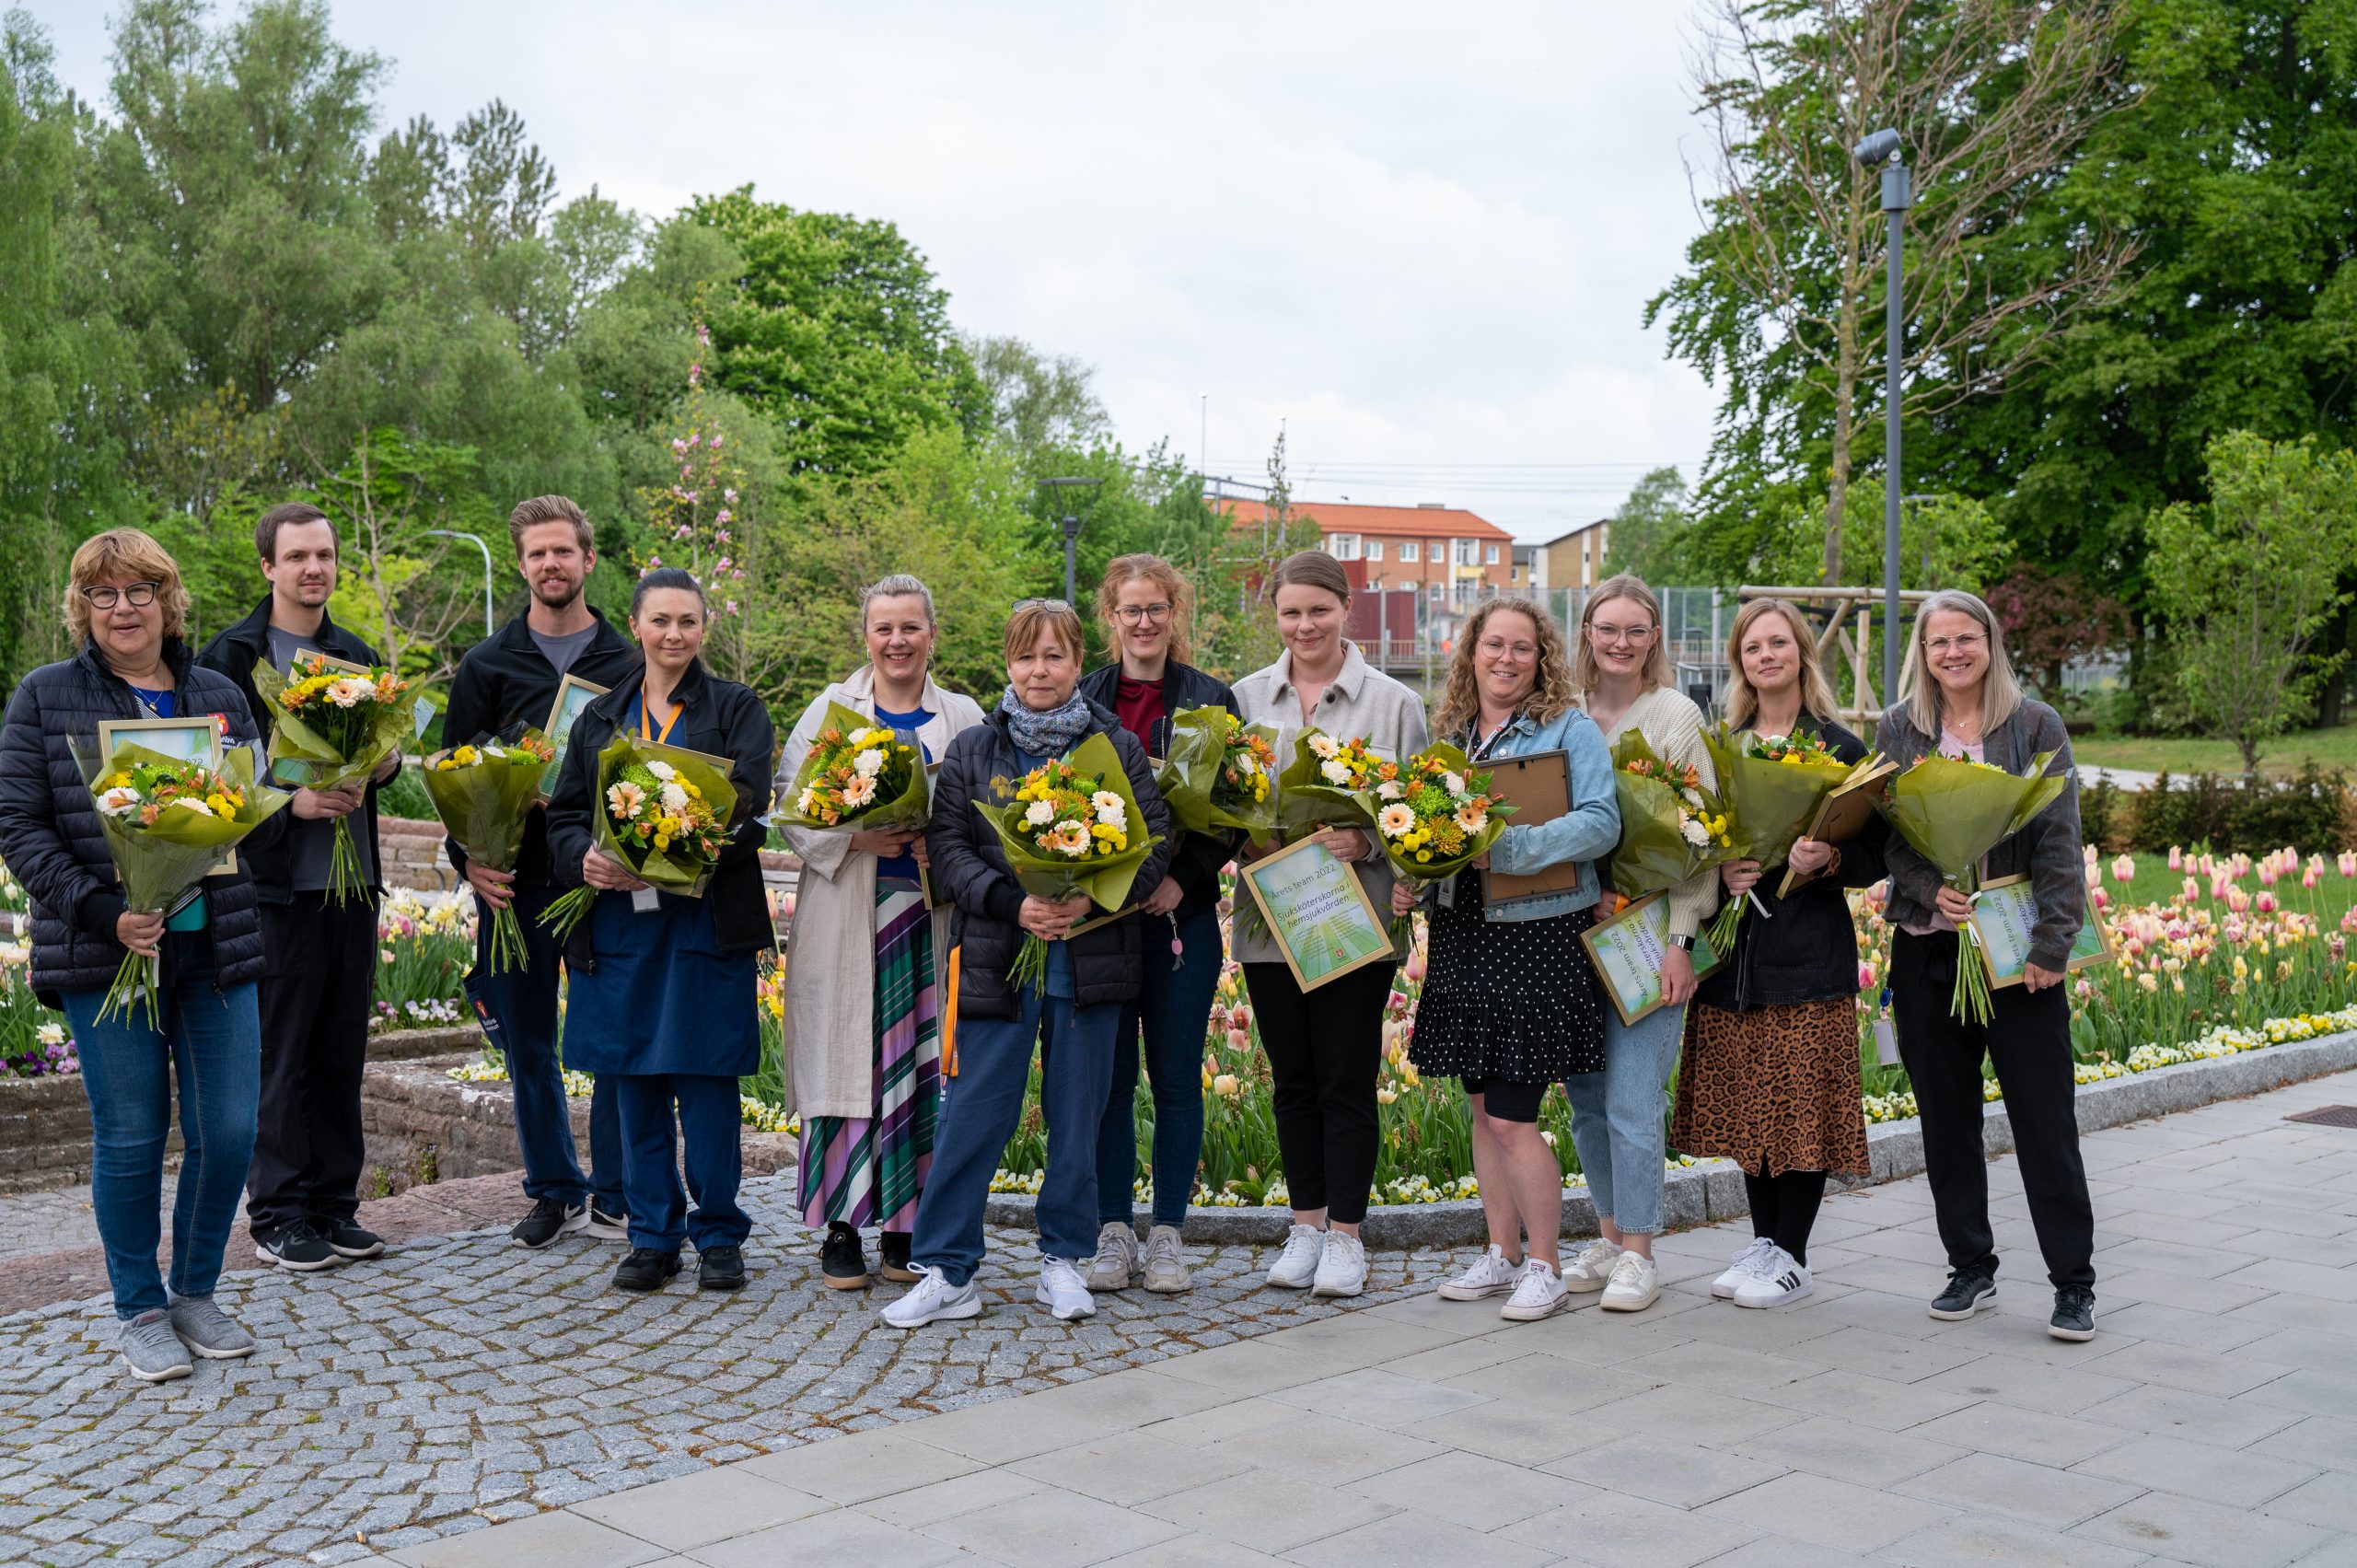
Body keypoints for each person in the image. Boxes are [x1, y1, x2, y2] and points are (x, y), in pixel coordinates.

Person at [0, 529, 288, 1381]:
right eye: (103, 595)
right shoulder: (44, 696)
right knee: (130, 1135)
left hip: (216, 948)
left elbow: (244, 808)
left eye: (139, 592)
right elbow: (19, 827)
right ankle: (138, 1306)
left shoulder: (218, 693)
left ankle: (195, 1290)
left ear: (168, 600)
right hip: (107, 957)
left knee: (229, 1131)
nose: (122, 608)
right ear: (82, 609)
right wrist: (104, 911)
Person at [881, 599, 1174, 1328]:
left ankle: (1063, 1261)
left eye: (1054, 656)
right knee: (973, 1113)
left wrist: (1090, 903)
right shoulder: (976, 750)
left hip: (1091, 957)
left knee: (1077, 1116)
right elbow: (946, 853)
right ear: (1006, 663)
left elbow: (1153, 843)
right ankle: (948, 1268)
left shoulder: (1116, 748)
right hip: (997, 958)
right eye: (1025, 656)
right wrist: (1016, 905)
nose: (1039, 670)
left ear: (1079, 662)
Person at [544, 569, 776, 1294]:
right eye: (660, 621)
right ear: (637, 628)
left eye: (688, 621)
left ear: (704, 629)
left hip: (703, 924)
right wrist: (585, 858)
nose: (674, 634)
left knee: (707, 1086)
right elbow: (563, 816)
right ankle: (651, 1235)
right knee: (634, 1085)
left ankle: (717, 1234)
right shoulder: (598, 717)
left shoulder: (738, 710)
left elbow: (748, 811)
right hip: (618, 931)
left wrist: (664, 859)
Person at [1875, 588, 2097, 1342]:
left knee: (2044, 1120)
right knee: (1945, 1119)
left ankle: (2074, 1282)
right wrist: (1926, 885)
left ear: (1990, 643)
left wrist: (2052, 947)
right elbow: (1888, 838)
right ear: (1924, 652)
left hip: (2015, 956)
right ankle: (1970, 1265)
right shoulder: (1899, 729)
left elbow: (2060, 842)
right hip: (1929, 949)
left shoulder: (2034, 724)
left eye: (1965, 638)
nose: (1953, 653)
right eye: (1939, 643)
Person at [1403, 598, 1619, 1323]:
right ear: (1472, 652)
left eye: (1521, 647)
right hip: (1464, 932)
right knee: (1479, 1107)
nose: (1505, 658)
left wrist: (1510, 849)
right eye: (1492, 644)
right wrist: (1416, 871)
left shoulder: (1570, 728)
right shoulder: (1454, 738)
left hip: (1533, 935)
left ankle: (1547, 1265)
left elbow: (1600, 820)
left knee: (1513, 1117)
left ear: (1542, 657)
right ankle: (1500, 1252)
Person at [200, 503, 401, 1274]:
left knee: (341, 1050)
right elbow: (216, 791)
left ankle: (333, 1207)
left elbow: (374, 753)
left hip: (352, 885)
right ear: (268, 568)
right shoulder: (229, 658)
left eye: (324, 555)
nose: (313, 568)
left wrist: (379, 765)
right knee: (281, 1055)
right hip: (277, 889)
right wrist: (295, 804)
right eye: (297, 557)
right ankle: (278, 1214)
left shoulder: (353, 653)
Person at [439, 494, 641, 1250]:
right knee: (528, 1039)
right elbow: (453, 773)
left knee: (614, 1037)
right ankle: (555, 1188)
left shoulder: (629, 660)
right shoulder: (487, 664)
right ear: (522, 565)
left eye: (563, 551)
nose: (550, 565)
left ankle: (620, 1189)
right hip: (513, 882)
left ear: (589, 559)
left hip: (600, 878)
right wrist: (470, 863)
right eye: (536, 554)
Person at [1671, 598, 1882, 1309]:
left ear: (1800, 653)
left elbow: (1875, 853)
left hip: (1807, 955)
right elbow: (1694, 839)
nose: (1767, 655)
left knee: (1800, 1108)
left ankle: (1794, 1254)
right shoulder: (1722, 747)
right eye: (1753, 646)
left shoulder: (1839, 748)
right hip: (1734, 960)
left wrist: (1827, 858)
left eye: (1778, 642)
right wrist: (1723, 869)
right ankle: (1764, 1242)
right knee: (1750, 1107)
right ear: (1741, 661)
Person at [1231, 552, 1429, 1299]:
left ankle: (1347, 1235)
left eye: (1319, 609)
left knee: (1347, 1078)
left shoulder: (1392, 704)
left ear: (1347, 609)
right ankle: (1304, 1225)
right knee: (1292, 1081)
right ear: (1275, 617)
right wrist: (1249, 837)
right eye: (1291, 612)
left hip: (1354, 920)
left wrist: (1368, 840)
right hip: (1271, 922)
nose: (1304, 624)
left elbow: (1420, 814)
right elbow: (1224, 804)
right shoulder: (1247, 697)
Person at [780, 575, 983, 1290]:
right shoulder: (831, 711)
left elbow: (991, 810)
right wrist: (856, 840)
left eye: (910, 627)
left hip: (931, 919)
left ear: (933, 632)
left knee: (922, 1066)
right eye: (884, 628)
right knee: (847, 1062)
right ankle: (841, 1225)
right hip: (849, 914)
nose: (897, 641)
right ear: (865, 635)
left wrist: (946, 845)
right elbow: (793, 807)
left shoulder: (962, 716)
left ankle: (905, 1225)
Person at [1075, 554, 1236, 1295]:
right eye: (1130, 610)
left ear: (1176, 615)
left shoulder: (1209, 699)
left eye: (1157, 609)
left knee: (1175, 1079)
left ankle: (1167, 1231)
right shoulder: (1083, 699)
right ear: (1110, 618)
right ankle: (1112, 1228)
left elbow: (1232, 811)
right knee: (1107, 1082)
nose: (1144, 622)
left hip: (1181, 919)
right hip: (1101, 923)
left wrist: (1183, 878)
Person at [1562, 573, 1720, 1313]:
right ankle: (1608, 1231)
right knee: (1587, 1099)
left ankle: (1642, 1252)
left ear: (1654, 635)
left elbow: (1699, 837)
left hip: (1651, 930)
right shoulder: (1566, 716)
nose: (1620, 641)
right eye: (1607, 628)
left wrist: (1682, 938)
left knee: (1632, 1094)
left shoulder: (1675, 716)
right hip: (1574, 932)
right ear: (1587, 632)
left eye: (1635, 629)